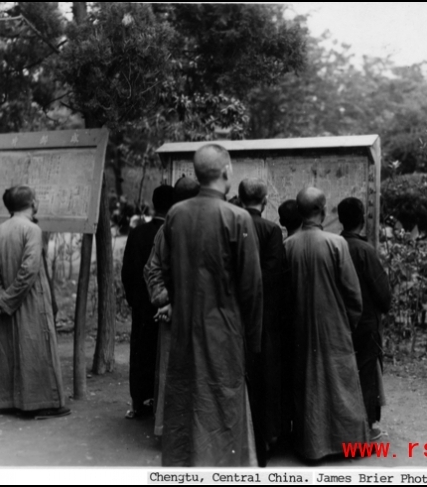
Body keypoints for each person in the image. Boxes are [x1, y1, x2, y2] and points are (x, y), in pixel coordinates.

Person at [155, 144, 263, 467]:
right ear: (227, 171)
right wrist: (253, 342)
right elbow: (252, 289)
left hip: (185, 330)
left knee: (187, 401)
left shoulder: (176, 215)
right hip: (224, 333)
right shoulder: (237, 217)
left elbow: (169, 273)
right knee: (223, 405)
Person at [284, 187, 368, 460]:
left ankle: (311, 447)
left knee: (308, 388)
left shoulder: (288, 246)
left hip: (299, 330)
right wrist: (349, 323)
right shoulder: (336, 243)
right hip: (335, 328)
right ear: (322, 209)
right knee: (341, 386)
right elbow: (353, 294)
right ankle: (350, 444)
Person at [0, 185, 69, 419]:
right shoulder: (32, 230)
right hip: (32, 301)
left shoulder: (0, 230)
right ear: (32, 203)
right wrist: (10, 299)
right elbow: (29, 270)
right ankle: (41, 404)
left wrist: (1, 298)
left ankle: (10, 401)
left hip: (7, 302)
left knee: (11, 349)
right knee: (37, 349)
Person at [144, 176, 200, 437]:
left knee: (174, 371)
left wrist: (166, 300)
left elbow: (151, 270)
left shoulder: (165, 227)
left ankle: (173, 430)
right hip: (198, 313)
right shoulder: (171, 228)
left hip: (176, 312)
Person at [238, 178, 285, 467]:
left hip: (232, 314)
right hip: (264, 315)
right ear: (265, 201)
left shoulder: (229, 225)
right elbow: (273, 274)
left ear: (240, 198)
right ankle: (264, 442)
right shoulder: (270, 230)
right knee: (263, 378)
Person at [338, 197, 392, 439]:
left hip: (340, 322)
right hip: (366, 323)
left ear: (340, 219)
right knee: (367, 375)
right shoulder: (365, 250)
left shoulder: (335, 245)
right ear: (362, 220)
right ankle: (367, 427)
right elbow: (383, 294)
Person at [121, 184, 175, 419]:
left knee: (140, 352)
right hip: (168, 304)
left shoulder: (138, 232)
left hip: (143, 305)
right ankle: (160, 402)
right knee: (161, 354)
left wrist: (134, 300)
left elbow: (127, 271)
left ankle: (138, 401)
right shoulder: (172, 232)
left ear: (154, 204)